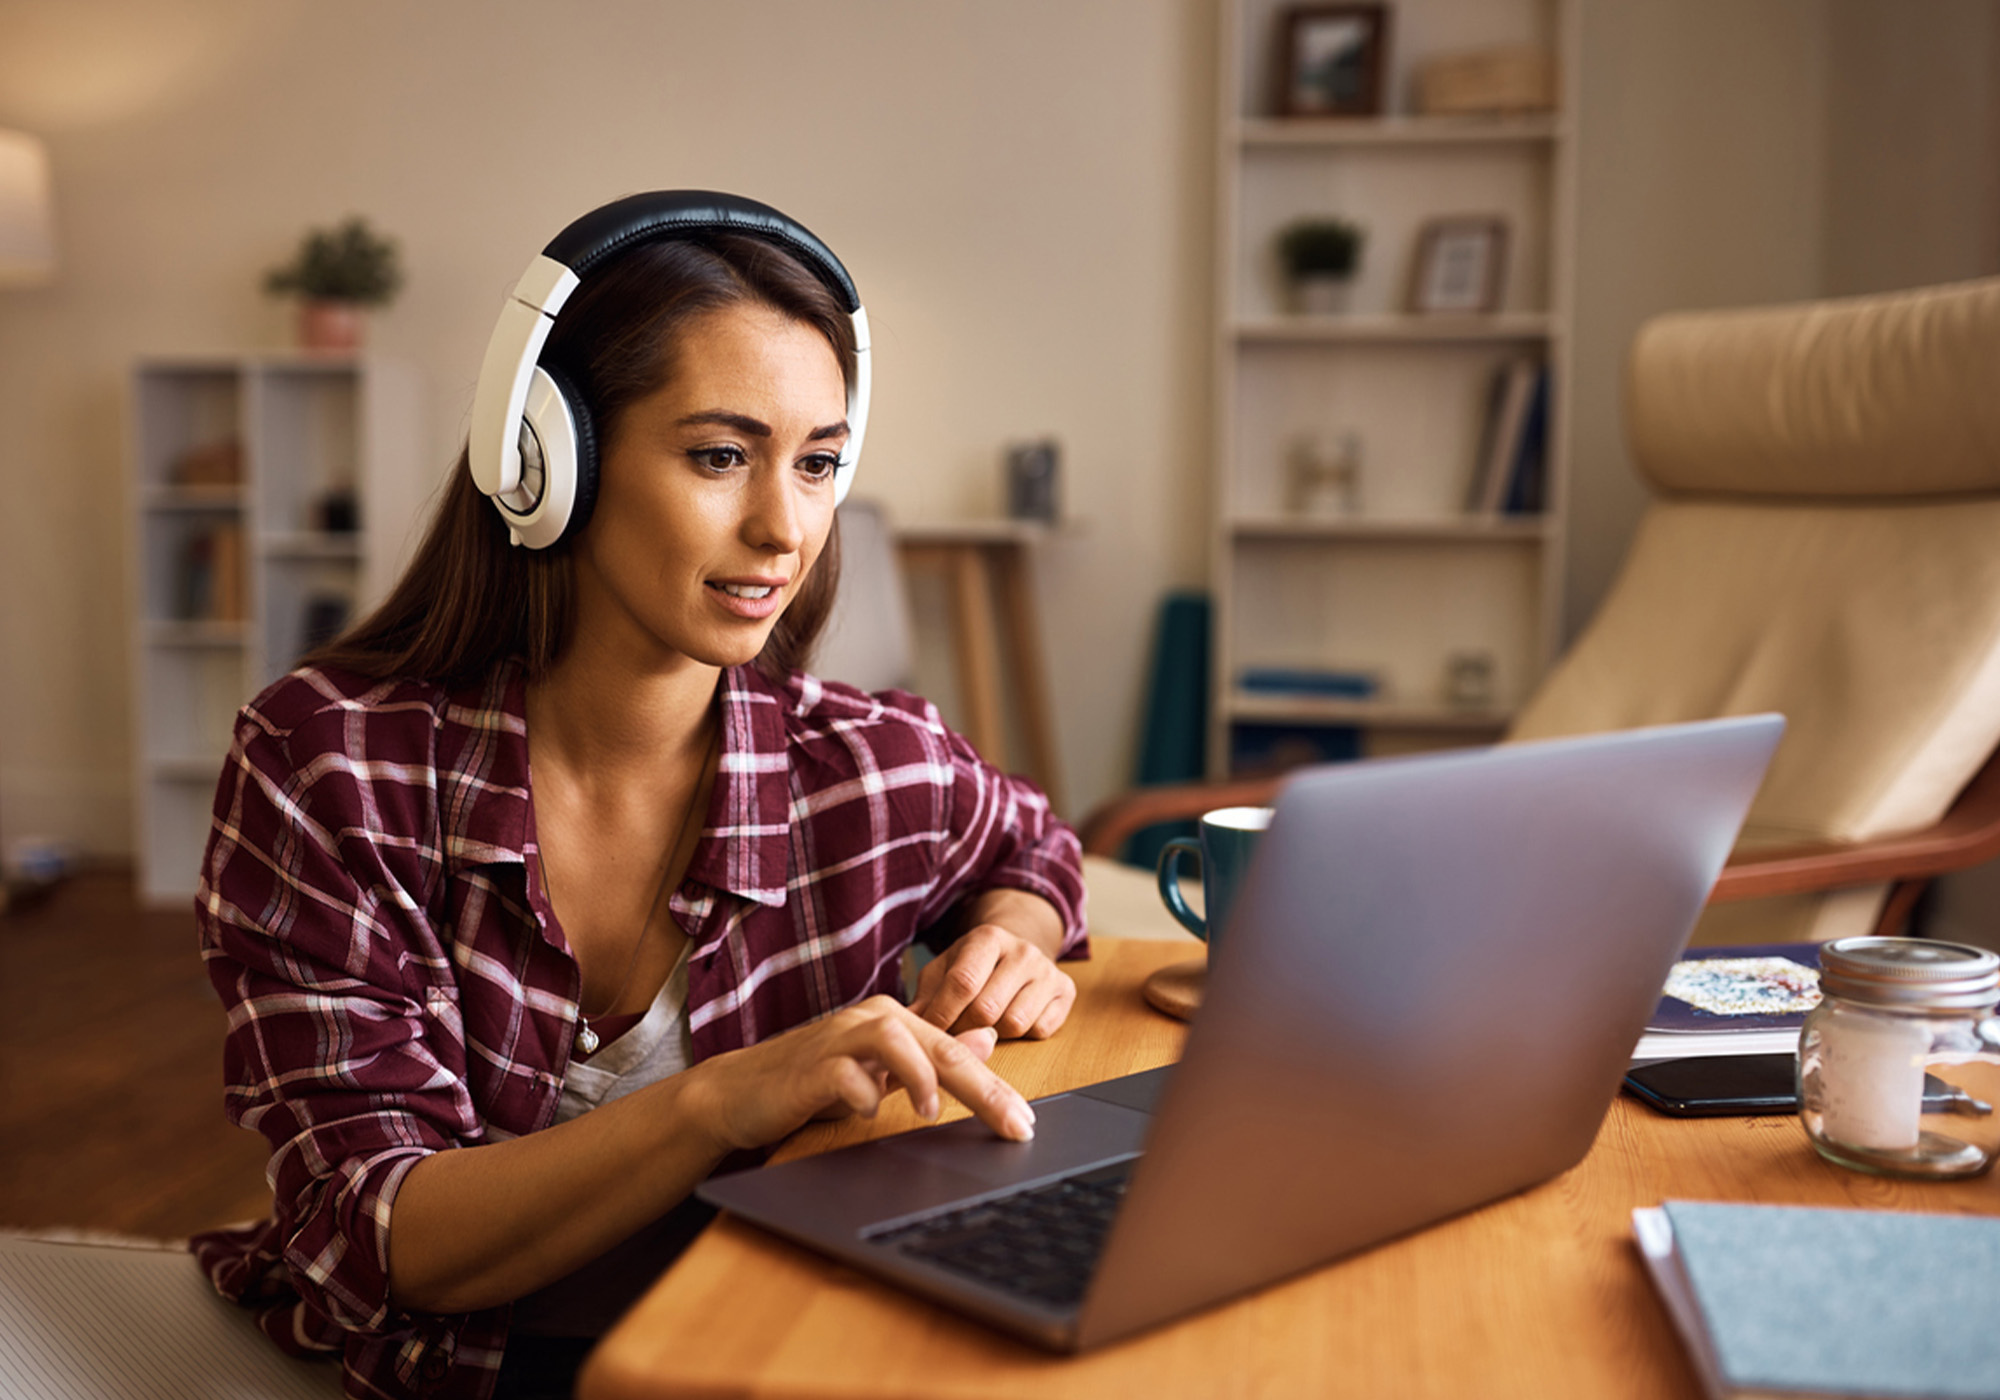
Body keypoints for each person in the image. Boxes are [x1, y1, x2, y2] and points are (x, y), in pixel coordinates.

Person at [192, 194, 1087, 1400]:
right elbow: (379, 1232)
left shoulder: (870, 765)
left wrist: (1011, 938)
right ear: (546, 459)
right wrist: (719, 1101)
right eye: (720, 455)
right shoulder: (330, 767)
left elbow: (1033, 848)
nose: (783, 527)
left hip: (778, 1360)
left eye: (817, 462)